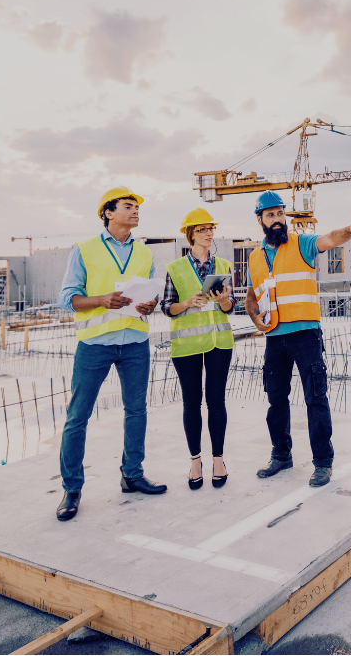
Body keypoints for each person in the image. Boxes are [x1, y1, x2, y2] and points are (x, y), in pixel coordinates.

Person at [245, 192, 351, 487]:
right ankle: (281, 454)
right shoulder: (255, 257)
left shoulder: (302, 243)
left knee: (315, 398)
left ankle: (322, 463)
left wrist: (349, 232)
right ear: (261, 220)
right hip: (274, 338)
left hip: (305, 336)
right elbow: (253, 295)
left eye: (280, 213)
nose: (277, 219)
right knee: (276, 400)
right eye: (270, 215)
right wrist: (255, 319)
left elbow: (329, 239)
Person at [55, 187, 167, 522]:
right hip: (95, 344)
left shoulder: (144, 253)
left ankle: (132, 475)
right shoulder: (84, 250)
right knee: (78, 417)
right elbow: (67, 297)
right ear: (108, 212)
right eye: (128, 206)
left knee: (137, 411)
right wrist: (101, 299)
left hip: (134, 341)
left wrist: (151, 305)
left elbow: (149, 296)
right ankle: (72, 488)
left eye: (137, 207)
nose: (135, 211)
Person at [161, 208, 236, 490]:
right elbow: (167, 307)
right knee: (191, 403)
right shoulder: (175, 268)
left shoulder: (224, 265)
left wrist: (225, 301)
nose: (209, 233)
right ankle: (195, 461)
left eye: (211, 228)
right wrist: (186, 304)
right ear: (190, 233)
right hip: (187, 345)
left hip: (219, 342)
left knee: (216, 402)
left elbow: (231, 308)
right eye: (202, 229)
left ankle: (218, 460)